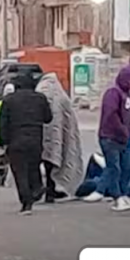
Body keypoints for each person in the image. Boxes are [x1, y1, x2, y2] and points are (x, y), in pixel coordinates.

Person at [0, 73, 53, 214]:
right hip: (35, 139)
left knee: (20, 172)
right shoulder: (40, 98)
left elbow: (2, 123)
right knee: (33, 168)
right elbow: (48, 118)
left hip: (16, 141)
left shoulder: (9, 100)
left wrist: (3, 142)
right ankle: (37, 189)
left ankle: (26, 203)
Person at [87, 63, 130, 210]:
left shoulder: (127, 96)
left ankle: (123, 194)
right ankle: (116, 197)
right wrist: (123, 130)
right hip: (110, 137)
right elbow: (111, 115)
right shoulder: (113, 93)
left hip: (124, 139)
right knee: (114, 168)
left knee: (129, 166)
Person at [36, 73, 83, 203]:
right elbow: (69, 117)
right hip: (57, 136)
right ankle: (51, 191)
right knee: (52, 164)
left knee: (39, 163)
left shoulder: (39, 92)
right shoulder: (61, 96)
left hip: (40, 135)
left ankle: (39, 189)